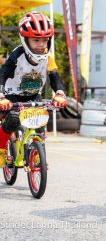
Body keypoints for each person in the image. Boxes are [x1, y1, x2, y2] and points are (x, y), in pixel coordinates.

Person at [0, 12, 67, 168]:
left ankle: (37, 156)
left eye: (45, 40)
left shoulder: (49, 57)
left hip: (33, 94)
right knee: (13, 120)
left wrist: (60, 93)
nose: (41, 44)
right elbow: (2, 74)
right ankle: (1, 150)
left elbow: (54, 77)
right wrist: (1, 96)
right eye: (36, 40)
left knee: (40, 123)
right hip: (12, 95)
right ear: (25, 40)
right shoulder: (17, 55)